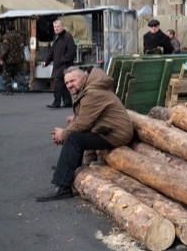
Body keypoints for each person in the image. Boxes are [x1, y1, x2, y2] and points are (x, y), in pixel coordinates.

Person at [36, 67, 134, 202]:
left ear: (84, 78)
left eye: (72, 81)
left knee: (73, 139)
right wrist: (67, 129)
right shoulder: (89, 88)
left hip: (116, 134)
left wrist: (63, 134)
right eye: (67, 83)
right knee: (73, 134)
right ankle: (68, 167)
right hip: (107, 129)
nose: (70, 85)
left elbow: (83, 123)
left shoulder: (92, 92)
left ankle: (63, 187)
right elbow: (84, 119)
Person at [41, 20, 77, 108]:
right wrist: (46, 62)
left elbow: (71, 51)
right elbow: (52, 52)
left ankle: (56, 102)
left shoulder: (68, 37)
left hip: (65, 65)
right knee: (63, 84)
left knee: (58, 82)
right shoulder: (56, 38)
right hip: (58, 65)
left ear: (62, 27)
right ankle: (67, 101)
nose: (56, 29)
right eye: (55, 27)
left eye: (58, 27)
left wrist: (64, 60)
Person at [0, 22, 24, 95]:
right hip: (17, 59)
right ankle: (26, 83)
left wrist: (2, 59)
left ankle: (9, 90)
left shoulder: (7, 37)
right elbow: (22, 47)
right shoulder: (19, 36)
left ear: (7, 30)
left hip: (9, 60)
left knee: (6, 75)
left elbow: (5, 49)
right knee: (15, 74)